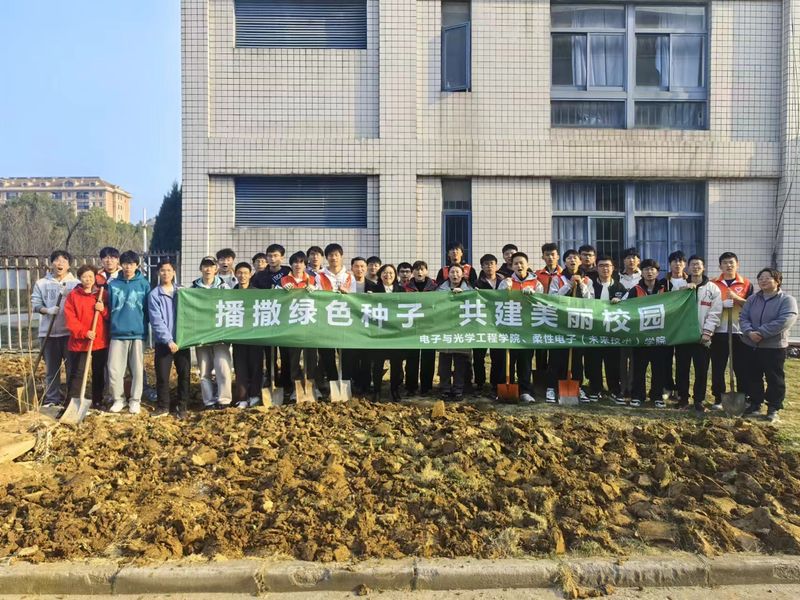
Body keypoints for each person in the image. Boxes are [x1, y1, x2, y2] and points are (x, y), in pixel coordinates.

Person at [740, 268, 798, 422]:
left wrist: (761, 332)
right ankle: (755, 403)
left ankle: (773, 407)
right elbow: (743, 317)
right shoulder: (752, 299)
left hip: (773, 346)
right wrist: (749, 332)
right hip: (751, 344)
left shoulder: (786, 300)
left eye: (767, 278)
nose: (763, 281)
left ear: (777, 281)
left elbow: (786, 320)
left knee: (774, 378)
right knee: (753, 375)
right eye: (761, 278)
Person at [31, 250, 79, 407]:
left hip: (70, 334)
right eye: (57, 260)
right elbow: (35, 304)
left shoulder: (76, 284)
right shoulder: (41, 283)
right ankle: (52, 399)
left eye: (64, 261)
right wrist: (47, 310)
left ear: (69, 265)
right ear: (51, 263)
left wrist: (70, 295)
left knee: (72, 369)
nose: (60, 264)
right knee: (52, 370)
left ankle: (71, 399)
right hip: (49, 333)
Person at [675, 255, 722, 414]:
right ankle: (682, 398)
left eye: (698, 265)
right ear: (688, 268)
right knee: (682, 369)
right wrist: (682, 292)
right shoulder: (680, 286)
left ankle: (699, 400)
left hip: (702, 337)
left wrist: (707, 332)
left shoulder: (712, 288)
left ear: (704, 267)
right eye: (693, 265)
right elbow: (672, 307)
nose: (695, 267)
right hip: (683, 336)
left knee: (701, 370)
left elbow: (715, 312)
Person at [107, 251, 150, 414]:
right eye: (125, 264)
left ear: (137, 265)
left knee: (137, 370)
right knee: (114, 369)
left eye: (131, 264)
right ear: (121, 265)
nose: (128, 267)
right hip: (117, 333)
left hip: (137, 333)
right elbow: (109, 307)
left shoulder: (144, 284)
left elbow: (148, 310)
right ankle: (118, 399)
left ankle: (135, 400)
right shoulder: (113, 285)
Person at [710, 252, 754, 410]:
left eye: (731, 262)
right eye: (725, 263)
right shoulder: (713, 284)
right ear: (720, 266)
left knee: (741, 367)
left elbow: (751, 306)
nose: (728, 265)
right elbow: (707, 304)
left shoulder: (746, 284)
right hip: (718, 331)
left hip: (739, 332)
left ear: (737, 264)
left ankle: (743, 396)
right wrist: (721, 304)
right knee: (718, 367)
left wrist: (737, 298)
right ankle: (718, 398)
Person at [546, 249, 591, 403]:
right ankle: (552, 387)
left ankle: (578, 386)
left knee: (577, 358)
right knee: (556, 357)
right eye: (569, 258)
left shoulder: (587, 280)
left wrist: (580, 284)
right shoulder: (557, 279)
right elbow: (553, 298)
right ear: (564, 262)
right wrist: (569, 285)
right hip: (559, 323)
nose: (572, 260)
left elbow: (591, 300)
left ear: (580, 261)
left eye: (575, 258)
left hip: (578, 324)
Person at [148, 259, 191, 419]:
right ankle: (163, 406)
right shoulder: (154, 295)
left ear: (174, 272)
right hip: (164, 343)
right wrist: (168, 340)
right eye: (162, 270)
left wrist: (185, 337)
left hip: (182, 341)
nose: (165, 273)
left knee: (184, 375)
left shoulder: (182, 292)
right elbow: (156, 320)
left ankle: (182, 406)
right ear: (158, 273)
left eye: (169, 270)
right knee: (162, 376)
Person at [498, 252, 542, 404]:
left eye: (522, 262)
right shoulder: (506, 282)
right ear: (512, 266)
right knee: (508, 360)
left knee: (525, 361)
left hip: (527, 329)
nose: (519, 266)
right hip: (509, 328)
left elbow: (542, 304)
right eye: (516, 263)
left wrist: (533, 296)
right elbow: (497, 302)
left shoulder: (536, 283)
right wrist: (504, 291)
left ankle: (525, 391)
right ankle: (507, 387)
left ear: (527, 265)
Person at [63, 265, 108, 410]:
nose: (87, 279)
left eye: (90, 276)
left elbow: (112, 316)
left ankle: (97, 400)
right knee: (78, 373)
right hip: (80, 342)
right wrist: (84, 333)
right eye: (84, 277)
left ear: (95, 278)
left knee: (98, 372)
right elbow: (70, 319)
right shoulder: (73, 296)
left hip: (99, 341)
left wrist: (103, 310)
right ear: (79, 278)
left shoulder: (102, 295)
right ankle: (71, 404)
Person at [315, 243, 357, 400]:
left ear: (341, 256)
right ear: (327, 258)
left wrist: (347, 294)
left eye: (336, 255)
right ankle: (332, 382)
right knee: (327, 354)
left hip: (345, 320)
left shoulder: (349, 276)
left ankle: (346, 382)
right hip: (326, 320)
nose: (334, 258)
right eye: (331, 255)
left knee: (346, 353)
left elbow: (354, 298)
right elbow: (317, 296)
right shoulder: (320, 276)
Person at [191, 256, 233, 409]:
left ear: (216, 269)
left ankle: (224, 399)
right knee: (204, 370)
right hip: (201, 334)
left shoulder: (225, 287)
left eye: (211, 266)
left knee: (223, 367)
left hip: (220, 334)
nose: (208, 269)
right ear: (201, 268)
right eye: (205, 266)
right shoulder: (193, 289)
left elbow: (231, 309)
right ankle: (208, 400)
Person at [625, 259, 667, 408]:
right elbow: (627, 308)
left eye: (652, 269)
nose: (649, 272)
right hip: (641, 336)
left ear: (657, 272)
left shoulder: (665, 289)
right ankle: (637, 395)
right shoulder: (635, 290)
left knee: (659, 368)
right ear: (641, 272)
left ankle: (657, 396)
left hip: (659, 335)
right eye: (646, 269)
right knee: (638, 368)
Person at [279, 252, 320, 403]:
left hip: (310, 326)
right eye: (295, 262)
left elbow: (321, 299)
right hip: (292, 327)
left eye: (301, 262)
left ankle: (312, 386)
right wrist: (281, 291)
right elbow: (276, 300)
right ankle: (295, 388)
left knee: (311, 358)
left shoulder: (313, 280)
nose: (298, 265)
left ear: (305, 265)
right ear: (291, 265)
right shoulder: (284, 280)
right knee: (294, 359)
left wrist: (315, 291)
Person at [251, 244, 292, 394]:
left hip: (286, 319)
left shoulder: (288, 272)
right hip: (267, 318)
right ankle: (271, 378)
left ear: (282, 257)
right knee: (269, 353)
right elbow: (252, 293)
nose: (272, 259)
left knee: (286, 352)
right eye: (269, 256)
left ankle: (287, 382)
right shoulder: (260, 276)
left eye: (275, 256)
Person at [586, 256, 627, 403]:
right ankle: (595, 389)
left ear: (613, 268)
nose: (605, 268)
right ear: (596, 268)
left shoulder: (620, 287)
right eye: (601, 265)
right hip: (593, 331)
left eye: (608, 266)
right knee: (593, 362)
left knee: (613, 363)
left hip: (613, 332)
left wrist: (620, 302)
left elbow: (628, 307)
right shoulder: (590, 285)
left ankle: (614, 390)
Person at [365, 264, 404, 401]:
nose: (388, 275)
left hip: (396, 333)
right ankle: (377, 391)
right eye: (385, 273)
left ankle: (394, 390)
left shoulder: (401, 290)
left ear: (395, 275)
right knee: (378, 363)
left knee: (396, 364)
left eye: (391, 273)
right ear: (380, 275)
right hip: (379, 333)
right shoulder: (374, 290)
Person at [436, 265, 472, 400]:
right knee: (444, 361)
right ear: (448, 274)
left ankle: (458, 389)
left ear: (462, 274)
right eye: (452, 272)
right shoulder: (440, 289)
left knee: (460, 361)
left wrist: (463, 295)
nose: (455, 275)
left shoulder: (470, 289)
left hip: (462, 329)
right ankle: (445, 388)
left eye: (457, 272)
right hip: (445, 329)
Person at [231, 262, 264, 408]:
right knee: (240, 367)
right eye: (239, 273)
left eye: (245, 273)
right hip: (238, 336)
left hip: (255, 335)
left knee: (256, 365)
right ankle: (242, 397)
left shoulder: (257, 293)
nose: (242, 276)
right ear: (235, 274)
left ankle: (255, 395)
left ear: (250, 275)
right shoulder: (230, 294)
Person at [403, 260, 438, 395]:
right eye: (417, 269)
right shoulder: (406, 287)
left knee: (428, 358)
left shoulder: (435, 287)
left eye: (422, 269)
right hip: (411, 327)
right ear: (413, 272)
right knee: (412, 358)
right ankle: (411, 387)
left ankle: (426, 387)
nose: (419, 272)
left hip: (429, 327)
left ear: (426, 271)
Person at [474, 254, 506, 398]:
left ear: (496, 265)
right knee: (479, 356)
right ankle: (479, 383)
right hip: (481, 323)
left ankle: (495, 384)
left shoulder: (504, 281)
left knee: (497, 355)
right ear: (482, 267)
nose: (489, 266)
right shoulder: (476, 283)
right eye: (486, 264)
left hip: (499, 323)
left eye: (491, 263)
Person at [534, 243, 563, 382]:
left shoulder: (564, 275)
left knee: (556, 348)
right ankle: (541, 379)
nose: (550, 257)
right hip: (541, 314)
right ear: (543, 257)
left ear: (558, 256)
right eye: (547, 255)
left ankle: (555, 378)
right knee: (540, 348)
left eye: (553, 254)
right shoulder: (536, 275)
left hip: (558, 315)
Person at [663, 250, 689, 399]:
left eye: (680, 261)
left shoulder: (691, 282)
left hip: (683, 326)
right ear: (670, 264)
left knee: (682, 360)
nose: (677, 264)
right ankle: (667, 387)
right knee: (665, 359)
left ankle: (681, 388)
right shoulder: (663, 283)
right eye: (674, 261)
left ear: (684, 264)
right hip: (666, 326)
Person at [343, 257, 370, 397]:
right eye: (356, 266)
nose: (359, 269)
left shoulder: (373, 285)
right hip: (350, 325)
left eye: (362, 266)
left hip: (366, 326)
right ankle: (351, 383)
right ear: (352, 268)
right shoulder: (346, 284)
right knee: (349, 356)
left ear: (366, 268)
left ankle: (365, 384)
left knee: (365, 356)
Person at [617, 247, 642, 401]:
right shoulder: (617, 277)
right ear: (623, 260)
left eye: (634, 257)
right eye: (628, 257)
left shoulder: (644, 277)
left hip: (638, 323)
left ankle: (632, 387)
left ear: (638, 260)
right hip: (620, 322)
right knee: (621, 358)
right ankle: (622, 388)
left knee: (635, 358)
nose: (631, 260)